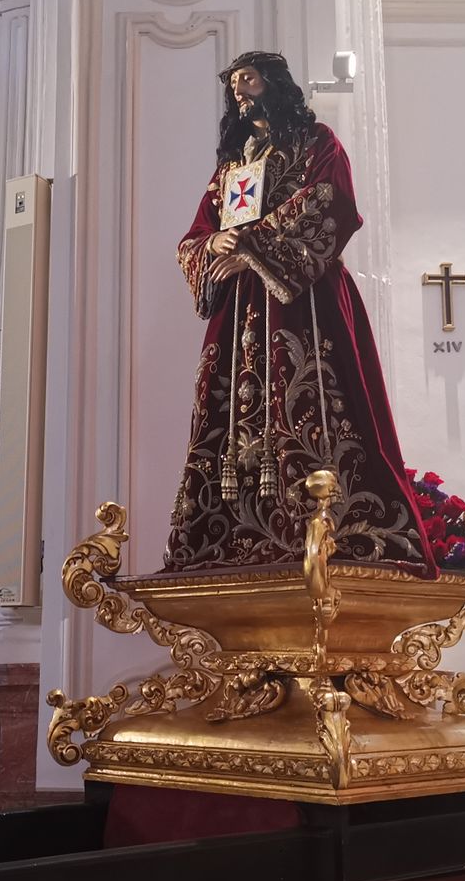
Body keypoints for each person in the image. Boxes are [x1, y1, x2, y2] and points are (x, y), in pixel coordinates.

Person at [164, 51, 436, 576]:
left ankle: (331, 529)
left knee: (315, 398)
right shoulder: (231, 168)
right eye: (233, 84)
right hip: (242, 308)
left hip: (302, 301)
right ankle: (228, 536)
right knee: (225, 415)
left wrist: (251, 246)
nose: (240, 90)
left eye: (248, 78)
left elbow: (330, 201)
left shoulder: (318, 143)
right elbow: (196, 234)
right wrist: (214, 243)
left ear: (275, 83)